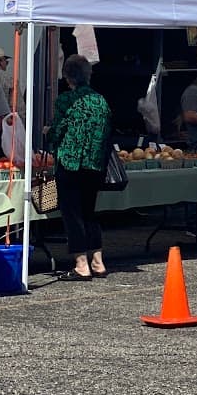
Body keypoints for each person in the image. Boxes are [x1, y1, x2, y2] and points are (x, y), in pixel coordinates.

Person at [44, 54, 112, 280]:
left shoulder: (65, 100)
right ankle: (98, 261)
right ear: (88, 75)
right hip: (95, 164)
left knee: (72, 213)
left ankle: (82, 264)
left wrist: (48, 134)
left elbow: (59, 130)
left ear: (66, 77)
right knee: (89, 212)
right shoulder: (101, 100)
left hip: (71, 163)